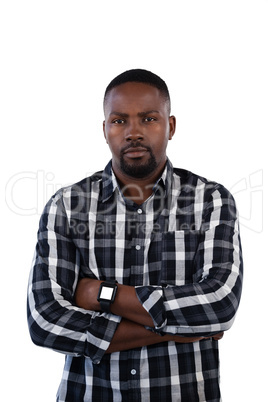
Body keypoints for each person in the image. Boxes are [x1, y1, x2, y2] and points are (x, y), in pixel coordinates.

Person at [27, 69, 243, 402]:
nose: (133, 133)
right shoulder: (67, 207)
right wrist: (181, 331)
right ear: (104, 129)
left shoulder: (210, 201)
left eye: (148, 119)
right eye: (119, 121)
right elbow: (45, 321)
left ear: (170, 126)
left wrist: (104, 295)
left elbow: (220, 303)